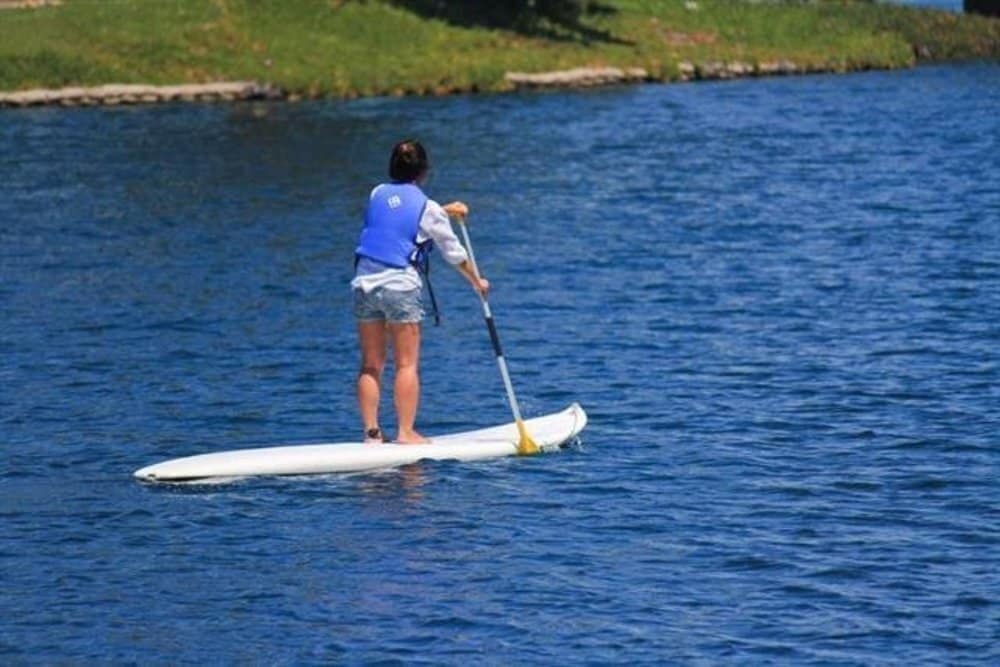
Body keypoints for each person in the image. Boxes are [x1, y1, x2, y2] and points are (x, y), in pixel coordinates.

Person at [351, 139, 489, 444]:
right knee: (406, 364)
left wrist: (443, 209)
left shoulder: (377, 193)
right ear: (424, 171)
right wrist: (476, 281)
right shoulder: (428, 209)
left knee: (371, 364)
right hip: (399, 287)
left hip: (364, 285)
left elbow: (397, 214)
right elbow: (453, 252)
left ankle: (372, 433)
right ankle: (405, 432)